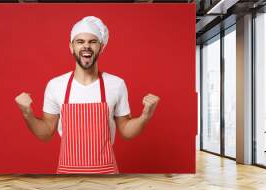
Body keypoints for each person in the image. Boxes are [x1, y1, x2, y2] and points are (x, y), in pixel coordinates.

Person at [15, 16, 160, 174]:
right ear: (71, 47)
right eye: (80, 41)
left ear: (101, 47)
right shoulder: (55, 85)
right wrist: (27, 114)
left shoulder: (116, 84)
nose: (86, 46)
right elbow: (46, 133)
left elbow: (126, 130)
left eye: (92, 41)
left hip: (106, 175)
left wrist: (145, 116)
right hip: (67, 176)